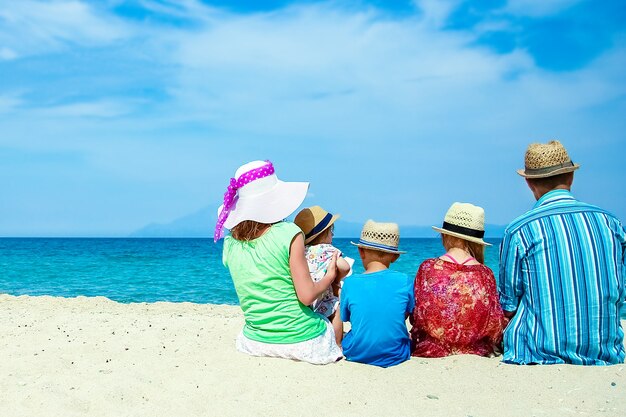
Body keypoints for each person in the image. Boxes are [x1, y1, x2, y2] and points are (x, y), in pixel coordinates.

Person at [499, 140, 626, 365]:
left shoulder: (520, 230)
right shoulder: (612, 223)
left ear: (529, 183)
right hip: (606, 351)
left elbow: (508, 304)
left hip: (539, 350)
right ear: (571, 177)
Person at [215, 160, 343, 364]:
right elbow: (307, 296)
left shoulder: (229, 244)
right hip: (302, 340)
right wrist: (329, 277)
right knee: (328, 317)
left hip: (253, 341)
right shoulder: (289, 233)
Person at [410, 202, 505, 358]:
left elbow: (418, 317)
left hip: (432, 350)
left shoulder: (428, 268)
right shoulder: (485, 274)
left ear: (444, 234)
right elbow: (494, 324)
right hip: (476, 351)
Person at [340, 220, 414, 367]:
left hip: (357, 352)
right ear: (395, 257)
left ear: (361, 251)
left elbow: (346, 317)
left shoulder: (350, 283)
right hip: (396, 354)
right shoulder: (404, 280)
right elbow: (407, 313)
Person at [294, 206, 353, 346]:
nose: (332, 236)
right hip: (325, 297)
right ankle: (338, 343)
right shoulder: (328, 250)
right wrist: (338, 278)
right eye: (331, 232)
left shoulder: (301, 251)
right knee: (337, 309)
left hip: (306, 299)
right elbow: (345, 266)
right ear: (325, 233)